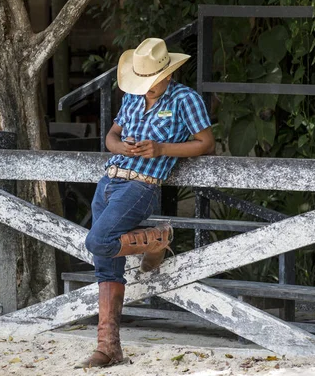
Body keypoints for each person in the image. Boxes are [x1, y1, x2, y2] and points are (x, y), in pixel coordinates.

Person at [79, 38, 215, 368]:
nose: (146, 87)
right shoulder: (131, 98)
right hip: (110, 180)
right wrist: (121, 147)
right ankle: (108, 346)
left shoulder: (185, 99)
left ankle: (158, 239)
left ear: (166, 74)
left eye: (150, 81)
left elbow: (206, 143)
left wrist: (161, 149)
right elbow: (111, 136)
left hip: (142, 185)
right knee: (105, 263)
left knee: (98, 241)